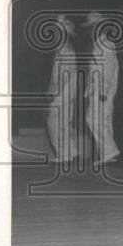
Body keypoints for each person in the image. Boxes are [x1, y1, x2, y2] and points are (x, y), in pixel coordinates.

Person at [81, 11, 120, 169]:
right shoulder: (100, 44)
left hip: (102, 90)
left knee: (93, 119)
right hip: (98, 89)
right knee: (103, 120)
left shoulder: (105, 45)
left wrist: (103, 90)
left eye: (94, 27)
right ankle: (107, 154)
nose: (91, 31)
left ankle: (110, 151)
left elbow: (108, 69)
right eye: (90, 28)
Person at [46, 14, 81, 167]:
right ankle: (71, 152)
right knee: (64, 123)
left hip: (62, 91)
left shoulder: (63, 50)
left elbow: (62, 75)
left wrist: (54, 92)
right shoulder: (68, 48)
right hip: (69, 91)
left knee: (53, 123)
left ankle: (64, 154)